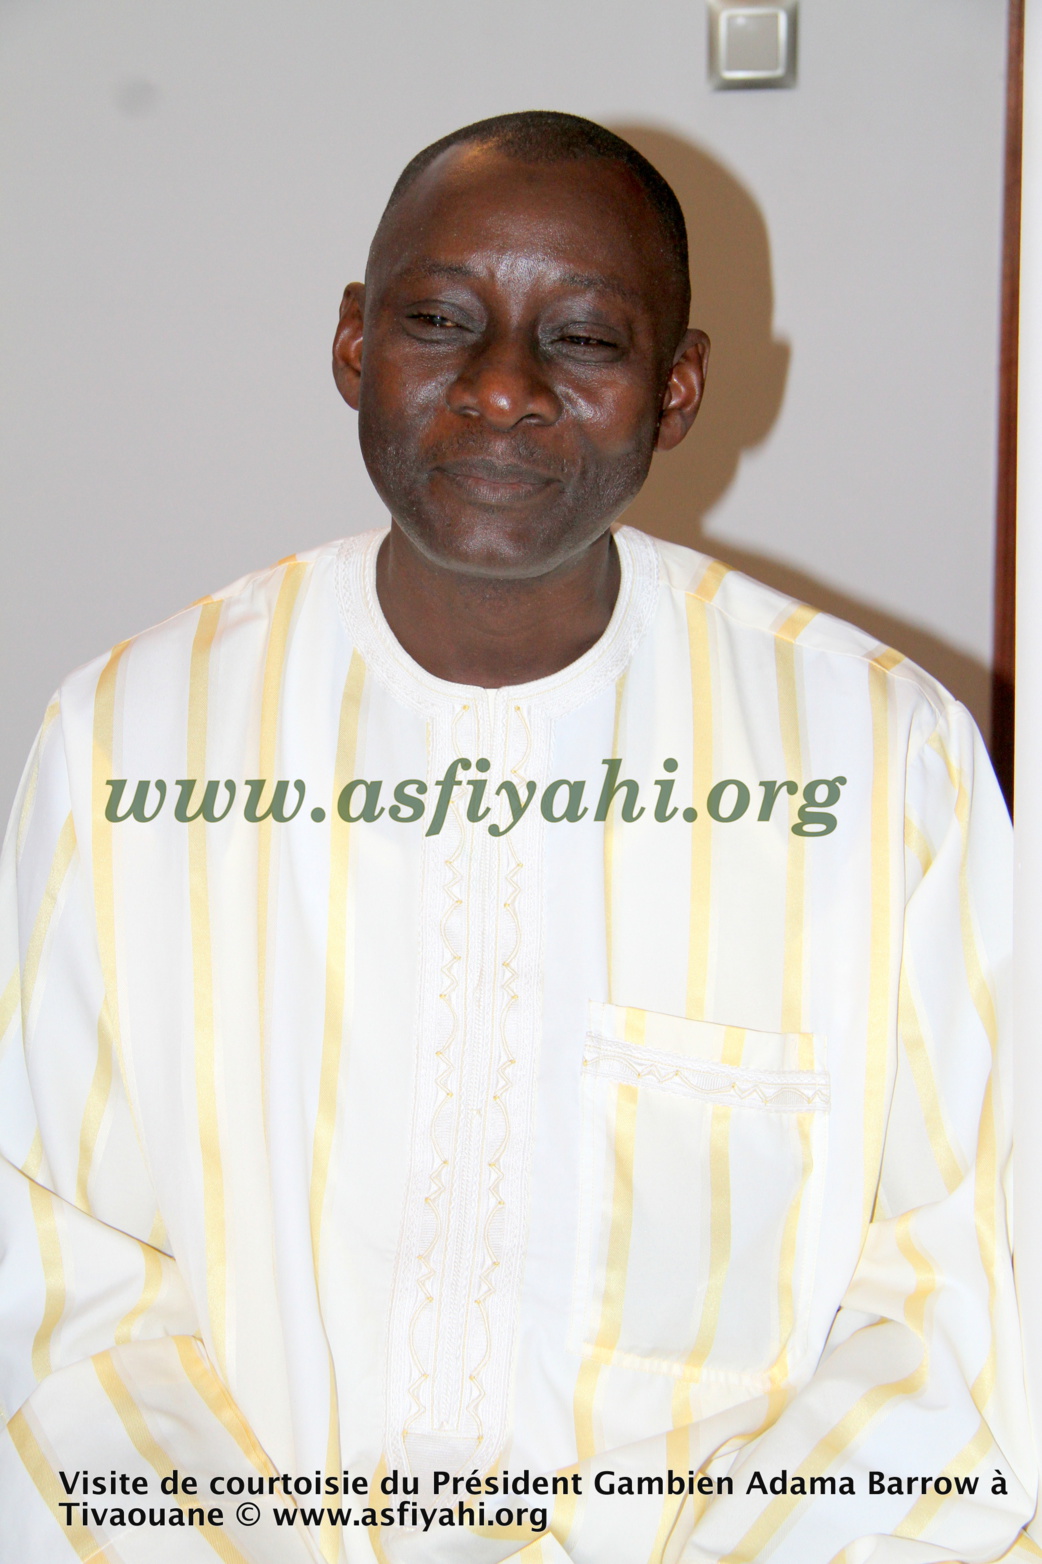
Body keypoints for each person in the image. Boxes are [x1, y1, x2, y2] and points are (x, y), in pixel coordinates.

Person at [0, 111, 1034, 1564]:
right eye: (440, 321)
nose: (500, 391)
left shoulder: (882, 761)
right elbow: (59, 1278)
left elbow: (956, 1291)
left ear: (674, 392)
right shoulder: (132, 738)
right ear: (354, 344)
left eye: (585, 341)